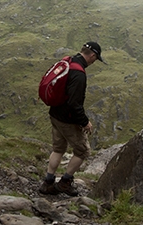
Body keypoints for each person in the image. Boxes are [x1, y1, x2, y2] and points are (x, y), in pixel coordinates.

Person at [39, 41, 106, 196]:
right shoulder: (79, 74)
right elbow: (75, 104)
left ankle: (48, 182)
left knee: (58, 149)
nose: (93, 62)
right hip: (67, 120)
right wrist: (85, 122)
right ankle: (65, 183)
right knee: (83, 151)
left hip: (54, 114)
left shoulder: (69, 61)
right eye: (95, 59)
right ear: (93, 56)